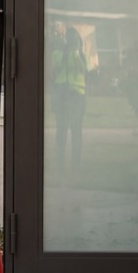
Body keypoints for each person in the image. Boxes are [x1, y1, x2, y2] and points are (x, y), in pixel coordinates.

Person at [51, 22, 87, 171]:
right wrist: (65, 53)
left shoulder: (80, 55)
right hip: (62, 93)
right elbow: (56, 68)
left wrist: (77, 52)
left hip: (77, 95)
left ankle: (76, 164)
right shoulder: (58, 53)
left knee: (76, 130)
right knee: (62, 129)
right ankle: (60, 164)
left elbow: (83, 69)